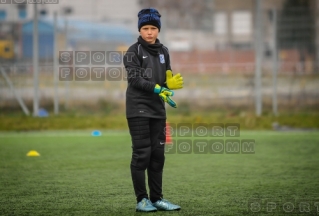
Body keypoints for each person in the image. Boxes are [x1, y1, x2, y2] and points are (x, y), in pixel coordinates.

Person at [123, 8, 184, 212]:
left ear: (158, 30)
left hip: (158, 109)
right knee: (142, 154)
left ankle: (157, 199)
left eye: (153, 28)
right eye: (145, 28)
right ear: (140, 29)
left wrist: (169, 85)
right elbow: (135, 79)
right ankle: (142, 200)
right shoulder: (133, 51)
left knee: (158, 156)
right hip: (138, 109)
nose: (149, 32)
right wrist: (157, 88)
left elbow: (166, 76)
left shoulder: (164, 51)